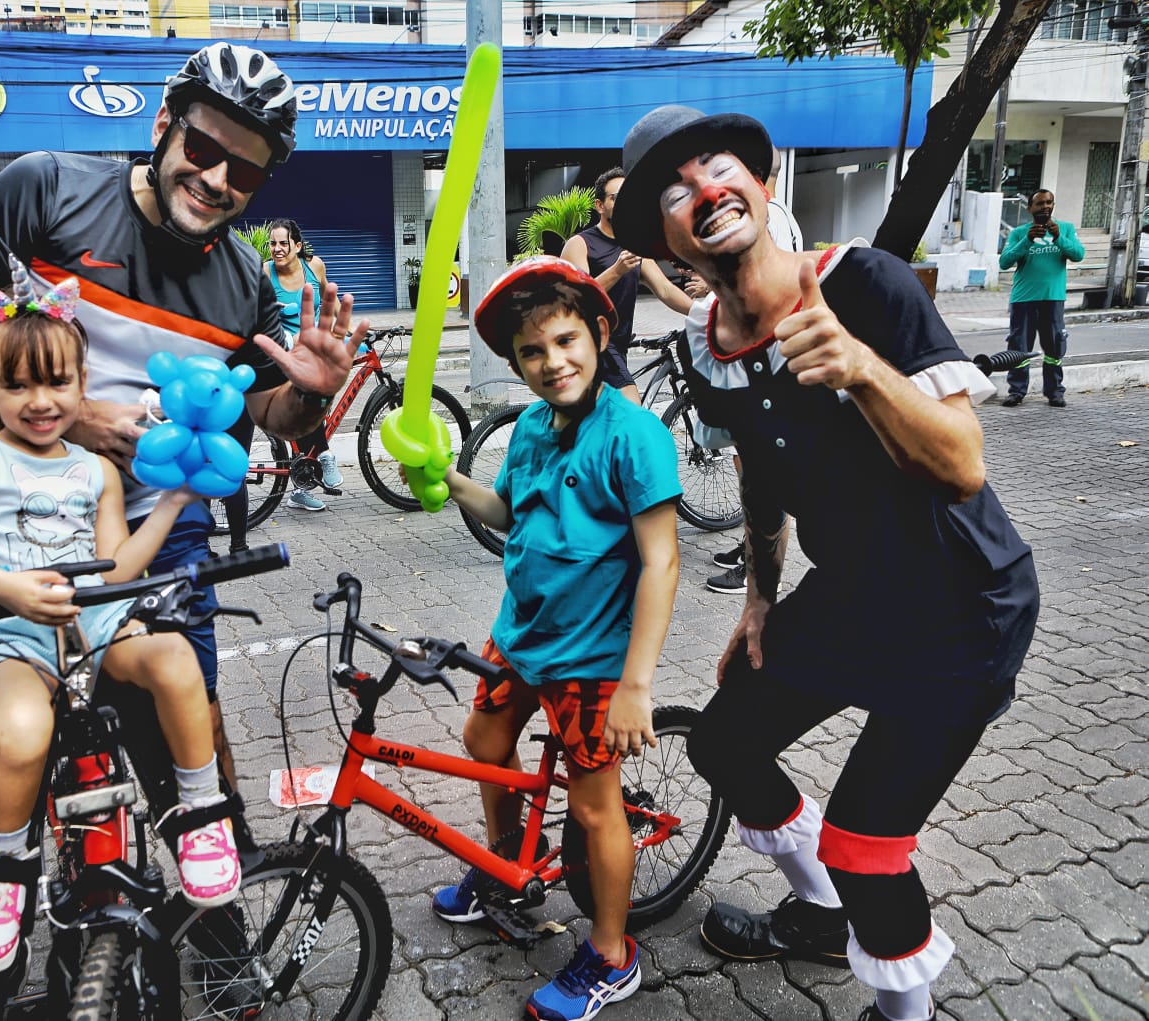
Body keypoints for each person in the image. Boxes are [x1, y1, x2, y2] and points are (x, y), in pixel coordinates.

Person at [0, 42, 365, 920]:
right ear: (163, 126)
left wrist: (312, 395)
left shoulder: (244, 283)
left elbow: (271, 418)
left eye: (246, 171)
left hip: (153, 531)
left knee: (192, 718)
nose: (218, 178)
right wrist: (74, 420)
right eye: (204, 148)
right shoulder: (45, 187)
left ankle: (221, 921)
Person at [612, 105, 1039, 1021]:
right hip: (850, 593)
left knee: (864, 842)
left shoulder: (866, 286)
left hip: (963, 605)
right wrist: (760, 599)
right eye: (674, 193)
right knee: (725, 740)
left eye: (715, 168)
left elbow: (963, 467)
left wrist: (861, 370)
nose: (704, 193)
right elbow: (758, 470)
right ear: (666, 239)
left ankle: (903, 1012)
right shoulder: (705, 348)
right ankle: (817, 913)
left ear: (760, 184)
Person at [0, 268, 241, 974]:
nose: (40, 401)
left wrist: (169, 504)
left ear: (84, 387)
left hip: (98, 625)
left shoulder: (99, 470)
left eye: (57, 383)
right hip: (15, 634)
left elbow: (116, 568)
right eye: (17, 385)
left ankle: (201, 814)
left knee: (175, 659)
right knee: (20, 731)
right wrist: (6, 587)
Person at [430, 257, 681, 1021]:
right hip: (523, 634)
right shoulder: (533, 427)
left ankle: (612, 953)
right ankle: (505, 865)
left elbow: (662, 562)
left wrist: (636, 684)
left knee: (597, 805)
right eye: (532, 353)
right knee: (484, 738)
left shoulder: (632, 433)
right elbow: (505, 511)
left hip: (593, 657)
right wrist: (443, 478)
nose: (552, 362)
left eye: (566, 340)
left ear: (601, 333)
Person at [707, 143, 804, 595]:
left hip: (775, 356)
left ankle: (753, 567)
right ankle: (749, 554)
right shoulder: (772, 213)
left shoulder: (768, 218)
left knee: (763, 467)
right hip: (764, 356)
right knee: (753, 464)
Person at [560, 167, 693, 403]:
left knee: (605, 420)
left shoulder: (635, 246)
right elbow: (579, 295)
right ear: (600, 205)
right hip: (590, 341)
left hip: (618, 346)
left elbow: (665, 290)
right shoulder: (580, 244)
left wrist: (707, 312)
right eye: (615, 198)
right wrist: (617, 270)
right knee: (633, 408)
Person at [263, 217, 341, 512]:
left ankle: (302, 484)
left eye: (283, 243)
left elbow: (327, 301)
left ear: (297, 245)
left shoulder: (315, 266)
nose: (277, 249)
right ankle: (324, 455)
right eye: (273, 243)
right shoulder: (266, 271)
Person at [997, 188, 1083, 408]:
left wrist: (1058, 237)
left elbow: (1078, 255)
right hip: (1023, 299)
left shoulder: (1065, 229)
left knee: (1054, 347)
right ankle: (1016, 391)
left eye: (1049, 203)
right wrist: (1027, 240)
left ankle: (1054, 392)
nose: (1045, 206)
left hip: (1053, 298)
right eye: (1040, 203)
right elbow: (1004, 262)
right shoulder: (1019, 233)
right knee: (1019, 347)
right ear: (1030, 208)